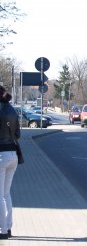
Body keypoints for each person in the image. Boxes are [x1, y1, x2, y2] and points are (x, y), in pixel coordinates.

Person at [0, 85, 20, 239]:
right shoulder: (12, 110)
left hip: (1, 155)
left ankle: (3, 230)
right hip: (13, 154)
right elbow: (18, 134)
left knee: (0, 195)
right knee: (6, 194)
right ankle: (9, 228)